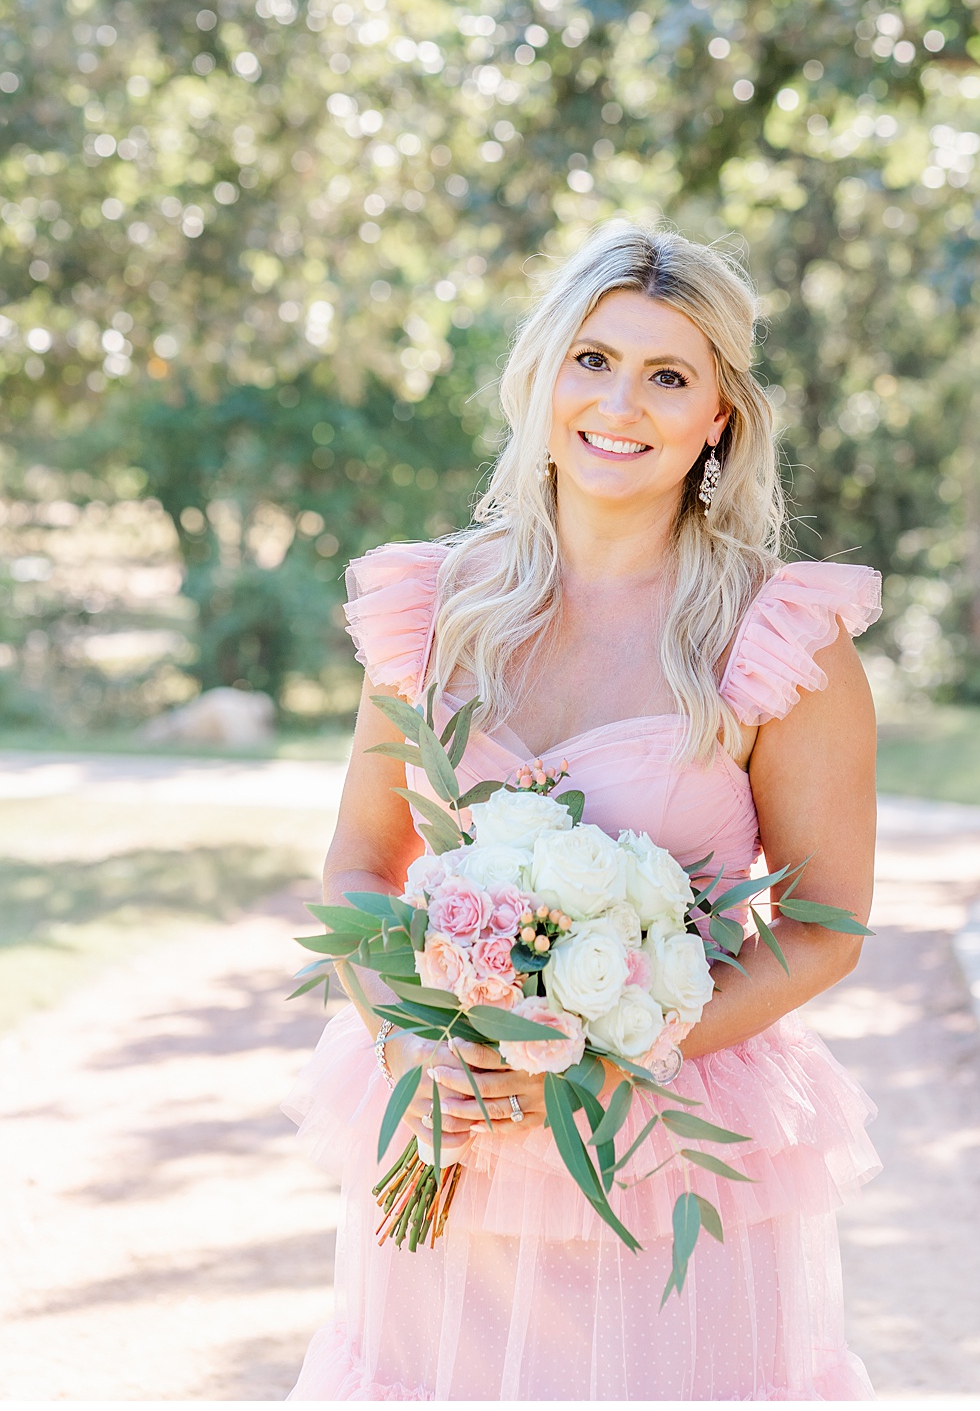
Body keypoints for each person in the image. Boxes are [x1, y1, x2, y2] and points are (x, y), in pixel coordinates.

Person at [285, 224, 882, 1400]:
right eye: (593, 359)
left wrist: (624, 1051)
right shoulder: (435, 609)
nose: (623, 403)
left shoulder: (773, 638)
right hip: (453, 1131)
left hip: (663, 1140)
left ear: (719, 416)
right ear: (544, 376)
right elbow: (360, 863)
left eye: (670, 375)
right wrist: (409, 1035)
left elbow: (823, 923)